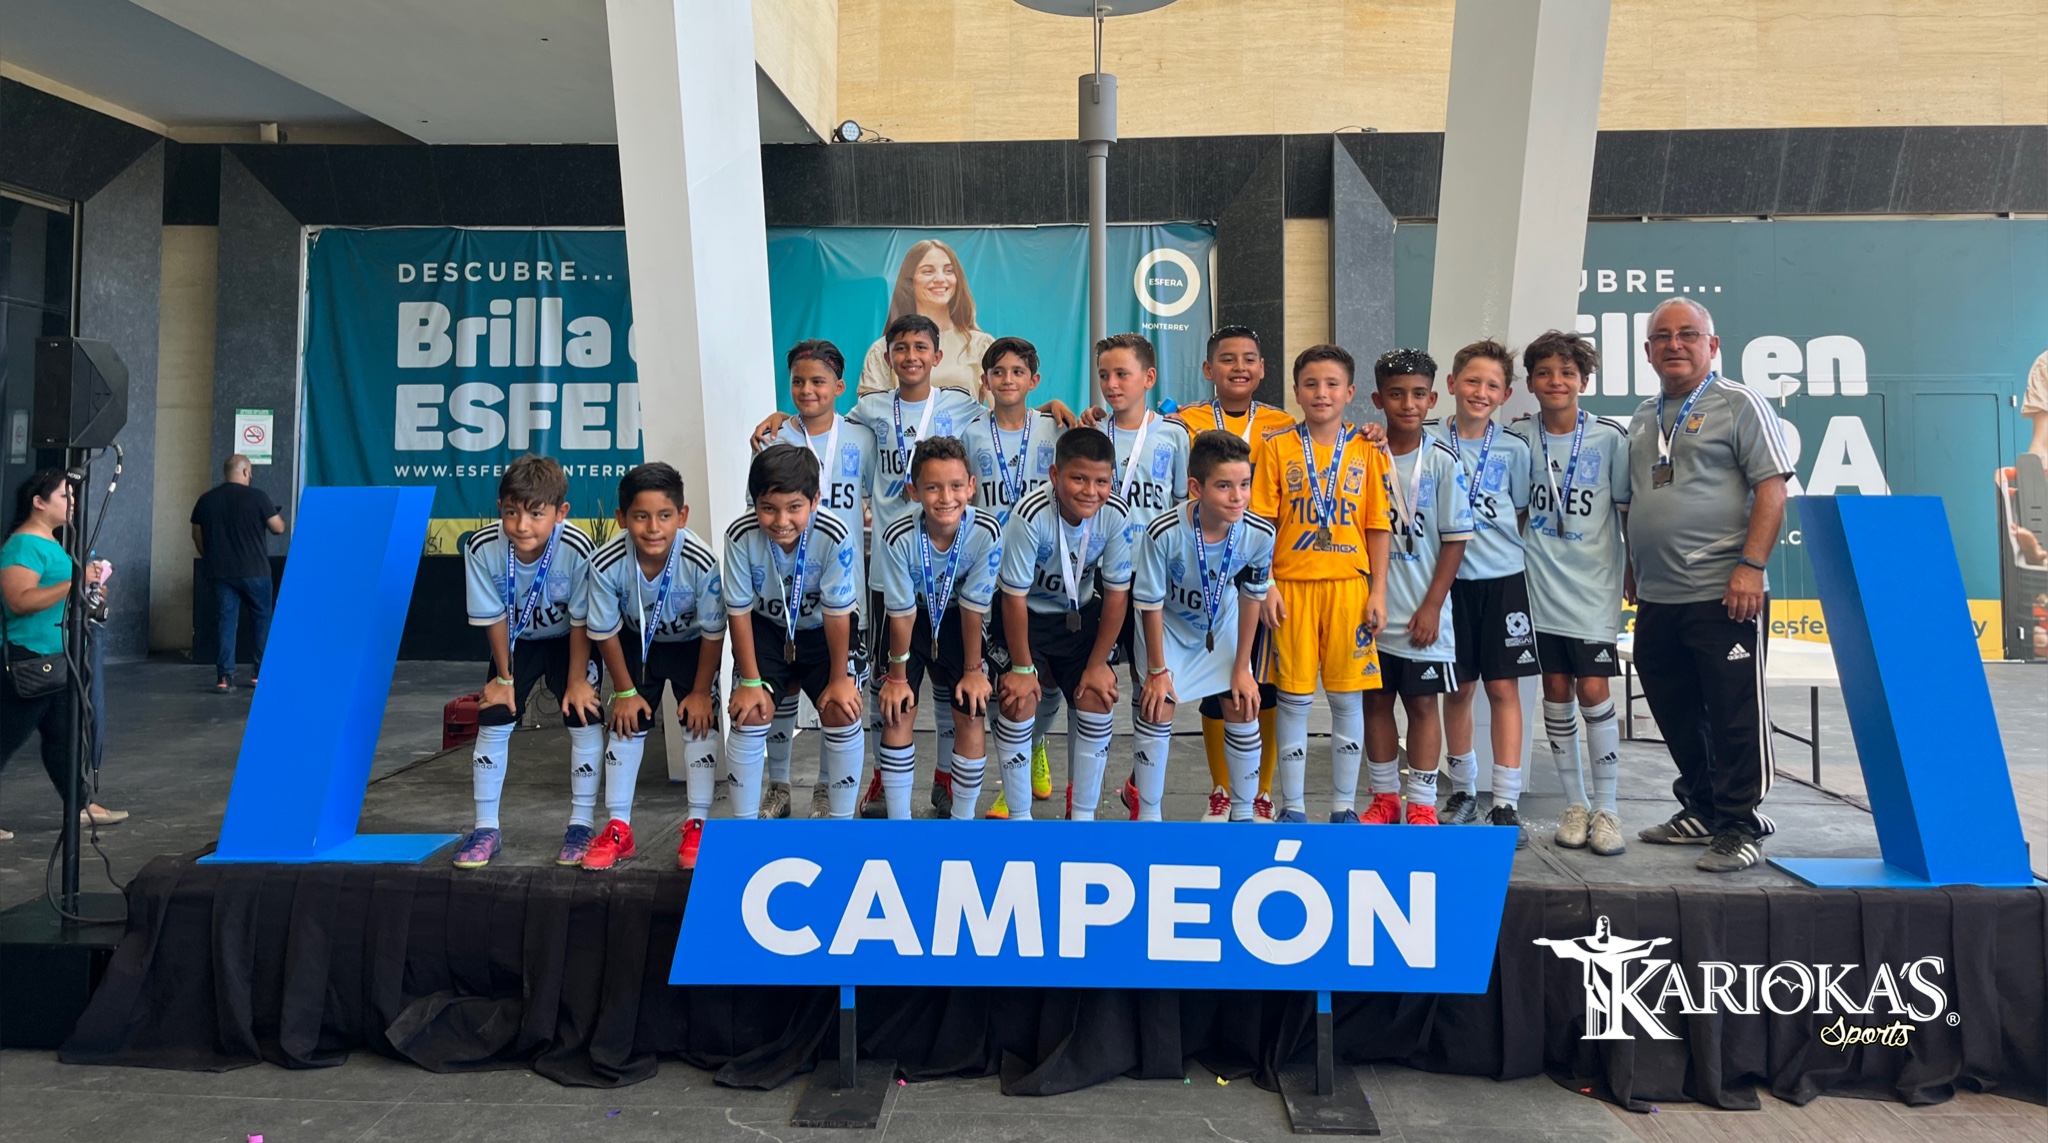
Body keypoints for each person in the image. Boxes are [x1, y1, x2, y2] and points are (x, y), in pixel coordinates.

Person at [1626, 298, 1793, 873]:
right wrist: (1633, 565)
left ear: (1712, 345)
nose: (1674, 344)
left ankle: (1741, 823)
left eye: (1688, 334)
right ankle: (1701, 806)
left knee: (1734, 711)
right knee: (1672, 706)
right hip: (1658, 594)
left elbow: (1772, 488)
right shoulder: (1643, 417)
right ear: (1647, 351)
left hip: (1725, 591)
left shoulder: (1739, 403)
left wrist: (1751, 566)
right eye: (1662, 336)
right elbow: (1641, 498)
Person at [849, 314, 988, 816]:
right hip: (893, 570)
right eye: (901, 348)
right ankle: (884, 778)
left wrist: (1053, 409)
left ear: (937, 355)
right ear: (888, 358)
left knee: (954, 690)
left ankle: (947, 776)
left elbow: (1008, 412)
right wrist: (783, 420)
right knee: (890, 686)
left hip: (949, 571)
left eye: (920, 347)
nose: (911, 356)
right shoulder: (869, 409)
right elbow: (826, 429)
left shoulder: (961, 405)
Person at [1254, 345, 1391, 825]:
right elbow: (1262, 524)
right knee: (1293, 700)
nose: (1321, 393)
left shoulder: (1367, 448)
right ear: (1296, 391)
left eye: (1332, 384)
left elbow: (1377, 525)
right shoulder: (1276, 446)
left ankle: (1342, 807)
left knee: (1347, 699)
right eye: (1311, 384)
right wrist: (1267, 583)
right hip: (1290, 589)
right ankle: (1293, 806)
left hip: (1349, 588)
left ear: (1350, 392)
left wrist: (1378, 591)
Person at [1509, 331, 1633, 856]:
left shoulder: (1609, 438)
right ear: (1530, 382)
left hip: (1593, 587)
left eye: (1566, 373)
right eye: (1544, 373)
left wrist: (1634, 571)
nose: (1555, 381)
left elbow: (1626, 510)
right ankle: (1575, 804)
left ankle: (1608, 807)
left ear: (1584, 380)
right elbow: (1516, 511)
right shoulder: (1519, 437)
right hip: (1538, 585)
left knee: (1594, 690)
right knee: (1555, 688)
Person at [1172, 327, 1301, 821]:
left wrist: (1270, 581)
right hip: (1204, 570)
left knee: (1258, 683)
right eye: (1227, 359)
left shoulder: (1283, 425)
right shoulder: (1184, 421)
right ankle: (1222, 789)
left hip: (1260, 569)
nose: (1239, 367)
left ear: (1263, 369)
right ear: (1209, 369)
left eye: (1249, 359)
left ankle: (1261, 791)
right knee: (1216, 684)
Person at [574, 463, 725, 870]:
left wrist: (700, 691)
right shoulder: (605, 562)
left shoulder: (701, 560)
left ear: (682, 516)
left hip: (691, 646)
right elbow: (604, 631)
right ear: (622, 518)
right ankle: (618, 827)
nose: (653, 528)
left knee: (699, 721)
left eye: (665, 516)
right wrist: (624, 692)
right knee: (627, 723)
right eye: (641, 516)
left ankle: (698, 823)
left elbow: (714, 632)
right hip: (635, 645)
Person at [451, 455, 600, 870]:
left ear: (560, 512)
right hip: (516, 643)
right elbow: (493, 616)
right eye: (512, 512)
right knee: (494, 715)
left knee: (584, 713)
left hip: (569, 641)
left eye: (536, 514)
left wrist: (577, 680)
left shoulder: (577, 548)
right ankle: (485, 828)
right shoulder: (482, 547)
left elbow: (582, 619)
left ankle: (582, 824)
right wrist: (504, 676)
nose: (522, 525)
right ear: (500, 507)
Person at [1131, 431, 1276, 821]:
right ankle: (1149, 816)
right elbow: (1150, 604)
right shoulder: (1163, 532)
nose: (1238, 497)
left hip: (1221, 622)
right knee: (1157, 705)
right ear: (1196, 487)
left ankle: (1243, 813)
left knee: (1243, 701)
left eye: (1244, 484)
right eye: (1224, 486)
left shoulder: (1260, 533)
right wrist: (1157, 671)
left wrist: (1242, 667)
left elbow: (1252, 598)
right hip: (1168, 626)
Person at [760, 340, 877, 820]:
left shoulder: (861, 438)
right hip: (784, 595)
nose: (807, 390)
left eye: (818, 381)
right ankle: (779, 786)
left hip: (844, 597)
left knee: (838, 697)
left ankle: (827, 790)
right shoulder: (772, 440)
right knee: (781, 694)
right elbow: (760, 512)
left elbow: (882, 499)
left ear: (839, 387)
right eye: (798, 382)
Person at [991, 428, 1133, 821]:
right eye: (1079, 479)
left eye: (1101, 481)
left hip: (1080, 615)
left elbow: (1118, 594)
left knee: (1098, 695)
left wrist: (1098, 664)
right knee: (1019, 700)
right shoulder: (1029, 515)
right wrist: (1022, 669)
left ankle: (1082, 819)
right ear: (1055, 475)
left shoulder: (1116, 514)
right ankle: (1019, 817)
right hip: (1027, 616)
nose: (1091, 491)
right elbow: (1013, 598)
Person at [723, 444, 867, 819]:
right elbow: (738, 611)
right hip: (769, 630)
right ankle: (760, 811)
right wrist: (749, 682)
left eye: (794, 507)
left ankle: (836, 814)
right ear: (754, 501)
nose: (781, 520)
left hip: (825, 632)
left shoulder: (833, 533)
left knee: (841, 708)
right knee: (750, 712)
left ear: (815, 500)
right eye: (768, 508)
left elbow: (838, 613)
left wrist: (840, 679)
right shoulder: (739, 535)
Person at [1435, 340, 1536, 845]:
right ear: (1452, 384)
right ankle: (1463, 792)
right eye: (1472, 381)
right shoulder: (1429, 439)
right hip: (1446, 582)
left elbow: (1520, 510)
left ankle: (1506, 802)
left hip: (1502, 579)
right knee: (1458, 689)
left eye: (1492, 385)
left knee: (1502, 689)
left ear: (1505, 395)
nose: (1480, 391)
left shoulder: (1514, 449)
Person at [1365, 349, 1472, 825]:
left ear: (1432, 399)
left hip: (1422, 613)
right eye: (1396, 394)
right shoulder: (1363, 453)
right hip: (1373, 610)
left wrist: (1432, 605)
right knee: (1376, 701)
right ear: (1378, 399)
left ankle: (1423, 803)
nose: (1407, 404)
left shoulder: (1444, 462)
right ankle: (1385, 799)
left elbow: (1455, 541)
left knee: (1423, 704)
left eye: (1417, 394)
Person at [874, 437, 1003, 819]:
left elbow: (974, 607)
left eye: (956, 486)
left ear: (971, 487)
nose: (946, 497)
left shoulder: (986, 531)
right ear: (914, 491)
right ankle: (900, 825)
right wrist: (897, 678)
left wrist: (973, 671)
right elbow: (900, 613)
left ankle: (962, 823)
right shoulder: (897, 536)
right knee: (897, 709)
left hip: (960, 621)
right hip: (909, 622)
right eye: (932, 487)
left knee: (971, 709)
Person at [962, 337, 1063, 816]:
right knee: (1006, 678)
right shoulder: (970, 434)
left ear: (1034, 380)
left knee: (1050, 678)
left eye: (1017, 372)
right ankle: (1013, 780)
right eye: (998, 372)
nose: (1007, 380)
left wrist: (1057, 409)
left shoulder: (1054, 427)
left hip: (1046, 572)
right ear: (984, 381)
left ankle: (1036, 744)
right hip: (991, 573)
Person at [1095, 333, 1192, 817]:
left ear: (1149, 378)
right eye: (1104, 375)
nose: (1112, 384)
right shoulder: (1093, 433)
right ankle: (1077, 790)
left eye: (1122, 374)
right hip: (1096, 577)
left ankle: (1143, 793)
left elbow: (1183, 508)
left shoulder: (1173, 436)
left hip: (1153, 579)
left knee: (1152, 682)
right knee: (1086, 682)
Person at [0, 469, 123, 837]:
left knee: (64, 739)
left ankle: (80, 804)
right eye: (64, 496)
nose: (73, 503)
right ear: (38, 502)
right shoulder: (23, 546)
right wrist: (75, 582)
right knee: (6, 737)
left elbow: (63, 596)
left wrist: (87, 590)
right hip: (29, 658)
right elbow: (19, 601)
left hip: (59, 657)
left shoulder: (52, 544)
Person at [190, 455, 284, 691]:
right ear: (245, 472)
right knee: (262, 619)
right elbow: (278, 528)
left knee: (226, 622)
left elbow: (196, 534)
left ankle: (224, 677)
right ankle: (260, 673)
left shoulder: (206, 499)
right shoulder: (258, 497)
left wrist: (209, 556)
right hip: (255, 571)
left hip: (221, 572)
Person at [858, 239, 995, 397]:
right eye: (928, 271)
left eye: (949, 271)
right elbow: (872, 408)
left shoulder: (980, 345)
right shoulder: (883, 349)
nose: (940, 279)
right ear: (909, 282)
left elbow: (999, 409)